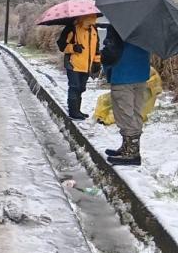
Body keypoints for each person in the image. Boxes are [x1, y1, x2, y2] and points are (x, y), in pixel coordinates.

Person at [100, 25, 151, 166]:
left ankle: (131, 153)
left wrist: (102, 55)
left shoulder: (118, 24)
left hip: (123, 74)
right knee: (136, 112)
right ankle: (128, 147)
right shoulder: (148, 25)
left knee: (124, 114)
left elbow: (111, 52)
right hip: (141, 74)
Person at [57, 14, 100, 121]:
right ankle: (73, 112)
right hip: (73, 65)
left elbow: (96, 48)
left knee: (81, 88)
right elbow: (61, 45)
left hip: (86, 66)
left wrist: (96, 63)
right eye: (91, 17)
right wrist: (73, 48)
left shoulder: (94, 30)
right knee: (74, 87)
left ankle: (77, 110)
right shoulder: (72, 28)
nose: (93, 19)